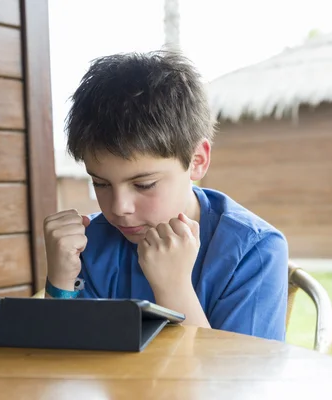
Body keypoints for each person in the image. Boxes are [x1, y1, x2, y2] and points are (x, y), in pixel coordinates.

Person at [43, 50, 288, 341]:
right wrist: (60, 281)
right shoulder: (89, 243)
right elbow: (62, 366)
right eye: (101, 184)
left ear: (197, 160)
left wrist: (173, 287)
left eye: (144, 185)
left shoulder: (254, 250)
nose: (119, 208)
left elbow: (235, 382)